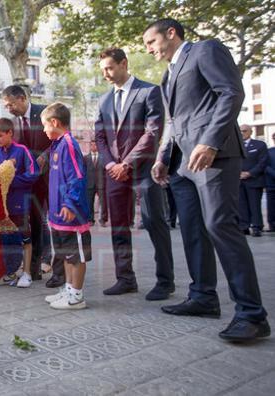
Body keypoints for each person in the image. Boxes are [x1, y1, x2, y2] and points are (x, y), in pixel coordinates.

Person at [145, 18, 269, 341]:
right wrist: (162, 157)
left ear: (171, 33)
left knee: (220, 225)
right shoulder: (167, 74)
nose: (148, 49)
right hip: (182, 164)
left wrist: (211, 141)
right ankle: (202, 296)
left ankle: (252, 314)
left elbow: (231, 92)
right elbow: (174, 121)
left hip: (214, 155)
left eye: (151, 41)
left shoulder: (205, 50)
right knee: (192, 228)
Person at [94, 47, 175, 300]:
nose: (106, 74)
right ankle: (125, 278)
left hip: (143, 171)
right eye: (103, 70)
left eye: (109, 68)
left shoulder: (149, 91)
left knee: (154, 223)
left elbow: (152, 133)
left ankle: (166, 281)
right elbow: (99, 135)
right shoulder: (104, 100)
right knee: (118, 227)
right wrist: (109, 164)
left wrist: (126, 163)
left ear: (124, 64)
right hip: (114, 174)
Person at [2, 85, 58, 285]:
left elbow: (59, 139)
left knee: (56, 223)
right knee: (33, 223)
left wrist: (45, 155)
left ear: (22, 98)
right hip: (28, 183)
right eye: (6, 106)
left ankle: (58, 270)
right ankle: (32, 270)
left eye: (10, 104)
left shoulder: (45, 112)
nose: (9, 108)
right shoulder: (13, 124)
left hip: (50, 177)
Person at [40, 103, 92, 309]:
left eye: (45, 126)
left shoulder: (68, 144)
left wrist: (70, 204)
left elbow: (77, 176)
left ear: (55, 122)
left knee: (75, 256)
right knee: (66, 255)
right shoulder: (57, 145)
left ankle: (77, 296)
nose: (44, 130)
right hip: (58, 215)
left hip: (72, 215)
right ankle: (69, 289)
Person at [0, 118, 39, 288]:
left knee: (25, 238)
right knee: (6, 240)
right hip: (2, 206)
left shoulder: (22, 150)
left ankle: (27, 273)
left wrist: (11, 180)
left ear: (10, 133)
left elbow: (34, 174)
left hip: (20, 203)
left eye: (0, 136)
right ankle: (9, 272)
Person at [238, 124, 268, 237]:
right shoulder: (235, 146)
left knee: (254, 205)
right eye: (240, 131)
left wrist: (250, 173)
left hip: (254, 180)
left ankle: (256, 227)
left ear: (250, 132)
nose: (242, 133)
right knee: (241, 205)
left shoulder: (260, 145)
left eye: (244, 131)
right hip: (239, 181)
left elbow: (263, 162)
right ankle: (243, 226)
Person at [83, 141, 108, 227]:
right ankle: (90, 220)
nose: (93, 146)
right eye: (92, 145)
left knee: (103, 203)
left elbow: (106, 171)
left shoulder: (103, 158)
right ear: (90, 146)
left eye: (95, 144)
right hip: (89, 183)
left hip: (101, 183)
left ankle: (103, 220)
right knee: (89, 202)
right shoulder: (86, 158)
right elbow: (83, 171)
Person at [267, 132, 275, 232]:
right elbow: (265, 164)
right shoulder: (269, 151)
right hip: (271, 183)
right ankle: (272, 225)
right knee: (271, 206)